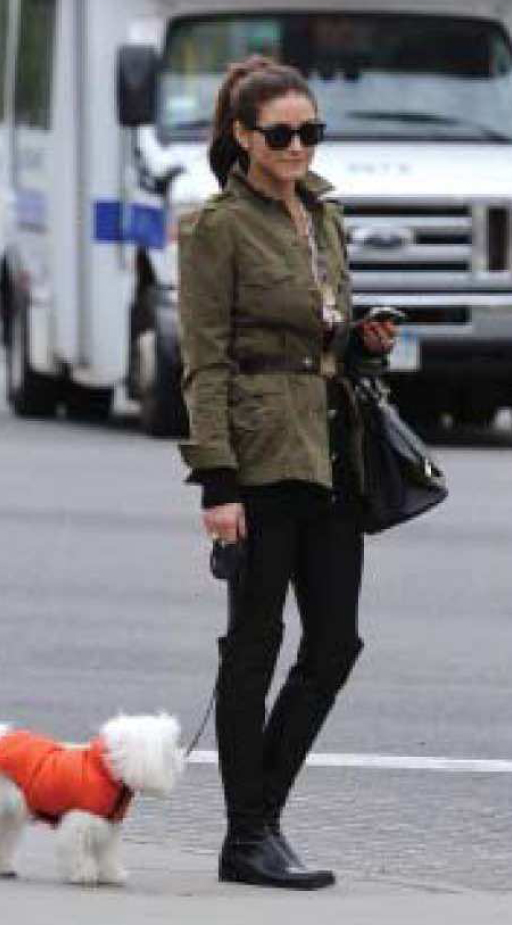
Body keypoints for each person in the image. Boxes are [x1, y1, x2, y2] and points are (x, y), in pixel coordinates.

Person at [177, 56, 397, 890]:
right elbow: (204, 362)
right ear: (243, 136)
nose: (298, 145)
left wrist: (360, 340)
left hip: (333, 448)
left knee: (335, 642)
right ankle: (249, 834)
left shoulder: (324, 213)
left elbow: (324, 328)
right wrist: (217, 481)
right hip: (261, 454)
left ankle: (258, 817)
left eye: (310, 131)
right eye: (281, 133)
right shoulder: (216, 228)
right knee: (254, 644)